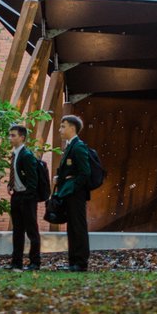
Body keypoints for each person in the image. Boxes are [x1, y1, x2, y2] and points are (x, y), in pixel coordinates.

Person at [54, 115, 92, 271]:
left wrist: (72, 185)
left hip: (76, 195)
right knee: (72, 228)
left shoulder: (78, 146)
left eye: (63, 126)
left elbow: (85, 173)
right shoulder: (70, 146)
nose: (60, 130)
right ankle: (73, 262)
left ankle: (81, 263)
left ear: (72, 128)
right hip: (70, 194)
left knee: (78, 227)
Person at [7, 123, 42, 271]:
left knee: (32, 231)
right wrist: (10, 184)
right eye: (10, 135)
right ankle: (17, 262)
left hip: (27, 198)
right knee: (17, 231)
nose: (10, 138)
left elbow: (33, 180)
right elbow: (16, 173)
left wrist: (27, 197)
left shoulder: (27, 155)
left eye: (13, 135)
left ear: (22, 137)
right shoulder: (15, 153)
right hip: (16, 195)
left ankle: (35, 262)